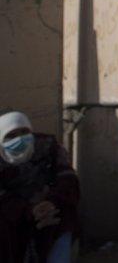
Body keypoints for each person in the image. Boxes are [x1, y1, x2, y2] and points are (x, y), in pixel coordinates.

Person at [0, 111, 80, 262]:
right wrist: (29, 211)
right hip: (14, 215)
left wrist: (51, 202)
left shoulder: (47, 147)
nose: (19, 139)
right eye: (12, 135)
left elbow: (68, 178)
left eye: (24, 132)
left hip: (50, 207)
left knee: (63, 217)